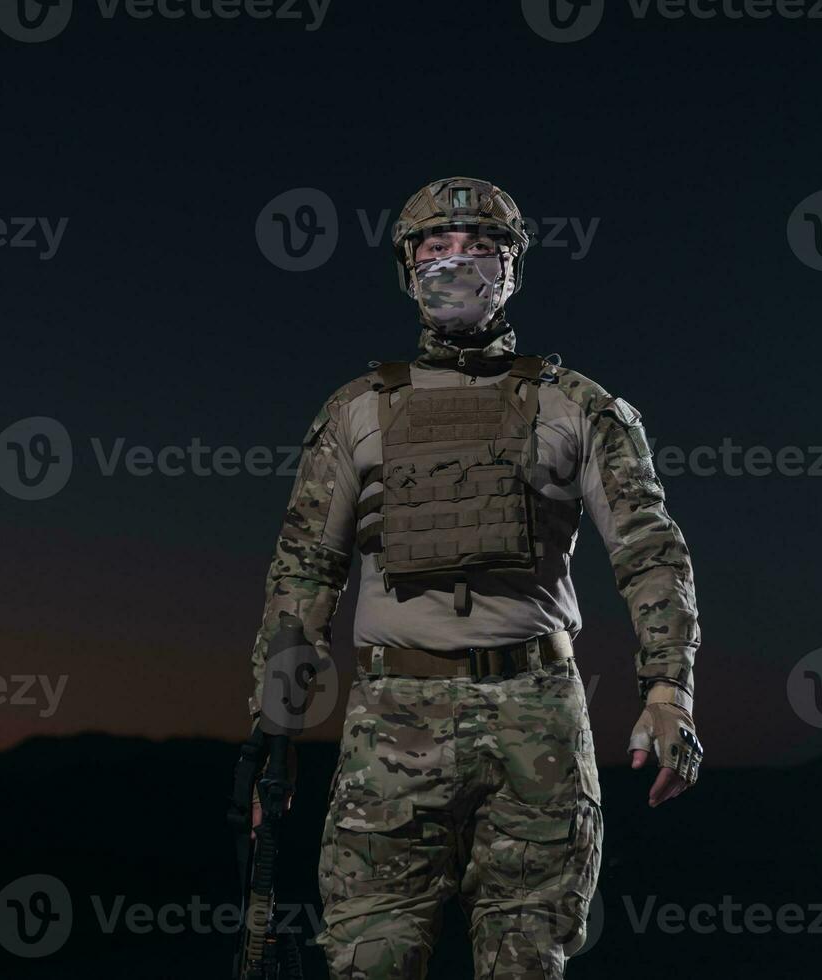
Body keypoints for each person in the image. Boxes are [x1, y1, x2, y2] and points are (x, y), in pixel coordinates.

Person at [248, 177, 703, 980]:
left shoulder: (575, 406)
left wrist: (669, 689)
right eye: (434, 248)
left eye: (477, 248)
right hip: (393, 721)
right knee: (368, 961)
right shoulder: (357, 411)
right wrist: (272, 734)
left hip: (537, 722)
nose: (453, 263)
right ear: (407, 267)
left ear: (511, 268)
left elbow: (647, 546)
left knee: (528, 961)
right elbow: (304, 571)